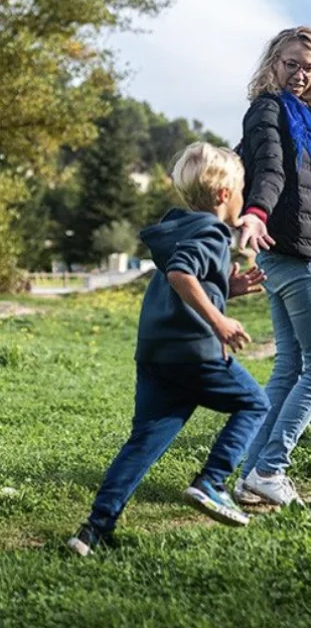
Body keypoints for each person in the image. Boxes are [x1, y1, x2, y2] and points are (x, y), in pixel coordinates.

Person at [67, 143, 270, 556]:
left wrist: (227, 288)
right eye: (241, 189)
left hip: (157, 355)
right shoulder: (213, 232)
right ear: (223, 195)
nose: (243, 197)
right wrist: (219, 321)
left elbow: (187, 274)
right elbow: (180, 274)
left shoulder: (179, 227)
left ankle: (92, 532)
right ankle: (212, 481)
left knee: (143, 443)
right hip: (195, 352)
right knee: (255, 404)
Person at [234, 26, 311, 506]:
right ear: (274, 62)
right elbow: (270, 169)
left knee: (289, 366)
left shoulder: (308, 119)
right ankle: (271, 468)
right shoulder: (268, 110)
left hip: (301, 248)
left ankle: (250, 476)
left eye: (310, 68)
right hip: (291, 251)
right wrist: (255, 212)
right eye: (291, 64)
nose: (300, 75)